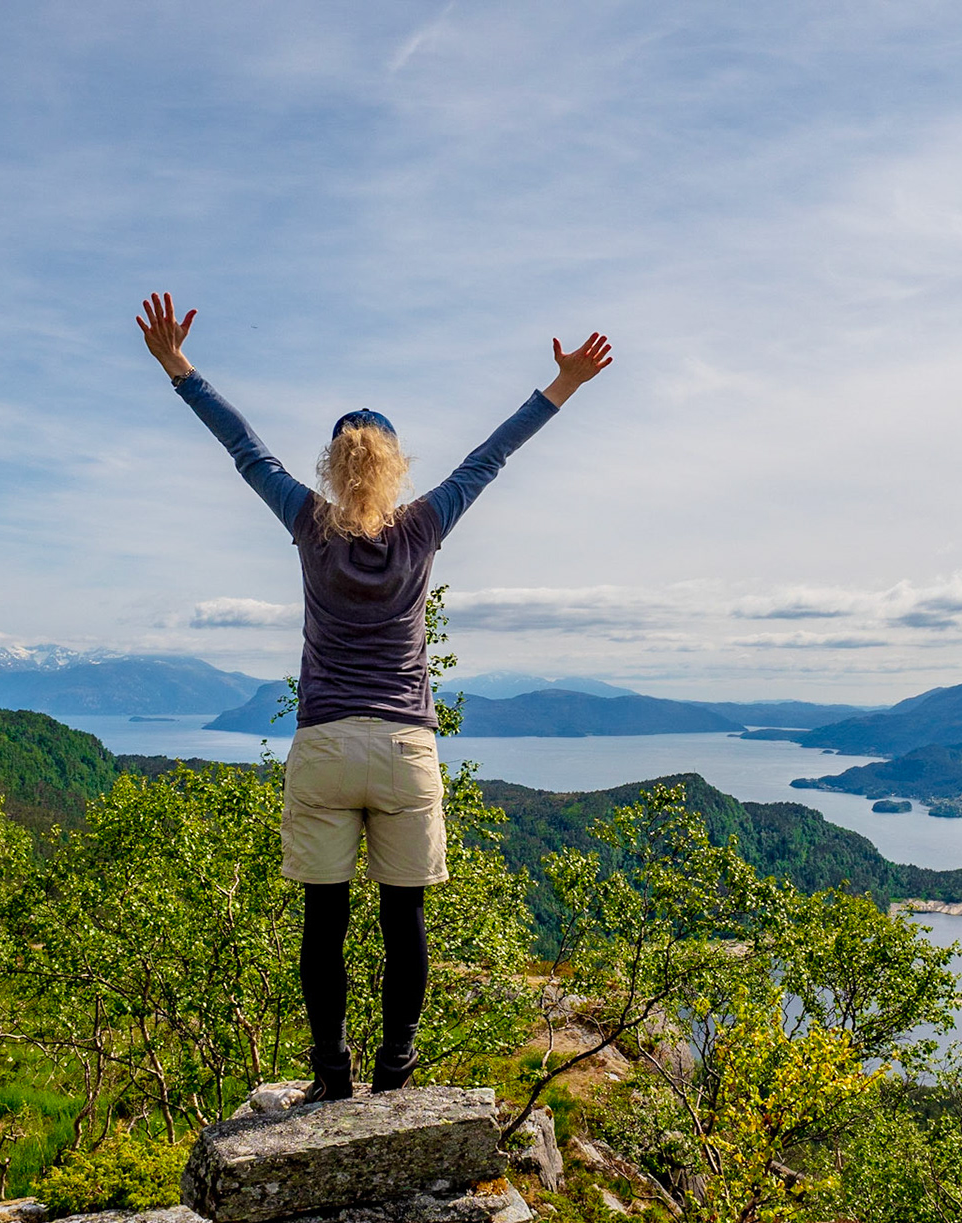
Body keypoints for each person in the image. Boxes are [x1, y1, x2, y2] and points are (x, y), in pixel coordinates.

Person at [138, 292, 612, 1100]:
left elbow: (245, 450)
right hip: (404, 750)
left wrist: (181, 369)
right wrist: (560, 386)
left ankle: (331, 1075)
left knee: (324, 927)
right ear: (394, 464)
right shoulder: (424, 526)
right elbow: (487, 458)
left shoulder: (308, 521)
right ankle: (396, 1069)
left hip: (324, 746)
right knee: (405, 925)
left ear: (332, 465)